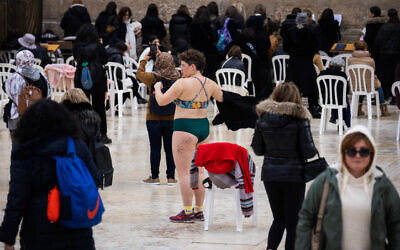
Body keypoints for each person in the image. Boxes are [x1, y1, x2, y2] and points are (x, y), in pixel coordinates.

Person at [0, 99, 101, 250]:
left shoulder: (24, 151)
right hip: (78, 229)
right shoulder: (75, 145)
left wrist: (8, 238)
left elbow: (17, 198)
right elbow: (95, 179)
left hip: (38, 231)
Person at [296, 125, 400, 250]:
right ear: (343, 152)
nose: (357, 156)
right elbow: (306, 218)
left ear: (372, 154)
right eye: (351, 151)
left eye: (364, 151)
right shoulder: (326, 181)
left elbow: (396, 228)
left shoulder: (383, 186)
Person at [153, 49, 223, 222]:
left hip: (184, 127)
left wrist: (157, 88)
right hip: (203, 127)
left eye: (183, 66)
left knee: (184, 173)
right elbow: (223, 99)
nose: (180, 69)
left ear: (193, 66)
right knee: (199, 172)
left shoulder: (182, 83)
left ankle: (187, 211)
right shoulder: (210, 83)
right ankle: (199, 210)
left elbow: (162, 102)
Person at [251, 82, 318, 250]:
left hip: (270, 175)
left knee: (278, 219)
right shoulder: (300, 120)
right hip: (293, 176)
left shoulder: (262, 119)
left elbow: (258, 150)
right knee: (293, 223)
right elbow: (309, 152)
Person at [136, 52, 180, 185]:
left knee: (155, 148)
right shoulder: (177, 77)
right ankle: (171, 177)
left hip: (153, 118)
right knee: (170, 149)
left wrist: (145, 59)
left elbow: (139, 74)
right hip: (172, 118)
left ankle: (155, 177)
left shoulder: (152, 77)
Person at [73, 23, 111, 144]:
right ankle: (102, 134)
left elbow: (75, 59)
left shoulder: (77, 46)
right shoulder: (98, 46)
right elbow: (105, 60)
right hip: (98, 78)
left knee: (82, 106)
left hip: (81, 77)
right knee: (99, 107)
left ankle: (82, 134)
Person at [4, 50, 51, 133]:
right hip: (39, 116)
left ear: (18, 61)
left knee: (18, 144)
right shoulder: (42, 76)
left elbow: (8, 91)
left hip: (18, 118)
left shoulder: (14, 78)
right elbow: (48, 94)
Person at [285, 13, 320, 118]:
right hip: (306, 63)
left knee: (293, 86)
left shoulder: (290, 32)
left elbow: (286, 48)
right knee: (310, 87)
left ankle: (291, 107)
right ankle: (312, 108)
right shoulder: (310, 32)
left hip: (294, 63)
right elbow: (315, 46)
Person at [348, 40, 389, 116]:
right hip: (367, 84)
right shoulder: (370, 60)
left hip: (355, 84)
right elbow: (372, 71)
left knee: (362, 83)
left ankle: (358, 108)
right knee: (377, 84)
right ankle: (383, 108)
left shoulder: (350, 59)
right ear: (365, 49)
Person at [106, 42, 147, 107]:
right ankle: (137, 97)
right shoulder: (118, 56)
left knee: (130, 83)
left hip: (107, 80)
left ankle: (138, 97)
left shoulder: (107, 53)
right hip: (116, 81)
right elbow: (119, 72)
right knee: (129, 87)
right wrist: (124, 72)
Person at [319, 56, 351, 128]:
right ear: (340, 67)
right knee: (343, 99)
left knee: (335, 96)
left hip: (325, 100)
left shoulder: (322, 74)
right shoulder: (342, 75)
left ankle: (333, 117)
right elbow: (346, 91)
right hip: (339, 100)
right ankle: (344, 122)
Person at [376, 8, 400, 101]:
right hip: (397, 55)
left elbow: (378, 41)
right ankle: (395, 97)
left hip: (385, 54)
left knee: (385, 75)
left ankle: (386, 94)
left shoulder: (384, 27)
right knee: (396, 76)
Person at [190, 6, 220, 80]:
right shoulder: (209, 25)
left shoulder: (192, 25)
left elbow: (191, 39)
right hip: (208, 54)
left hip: (196, 53)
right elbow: (214, 39)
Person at [364, 6, 386, 74]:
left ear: (373, 14)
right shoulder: (384, 23)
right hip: (382, 48)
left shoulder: (370, 24)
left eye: (370, 13)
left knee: (374, 66)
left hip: (373, 48)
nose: (369, 14)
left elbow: (368, 38)